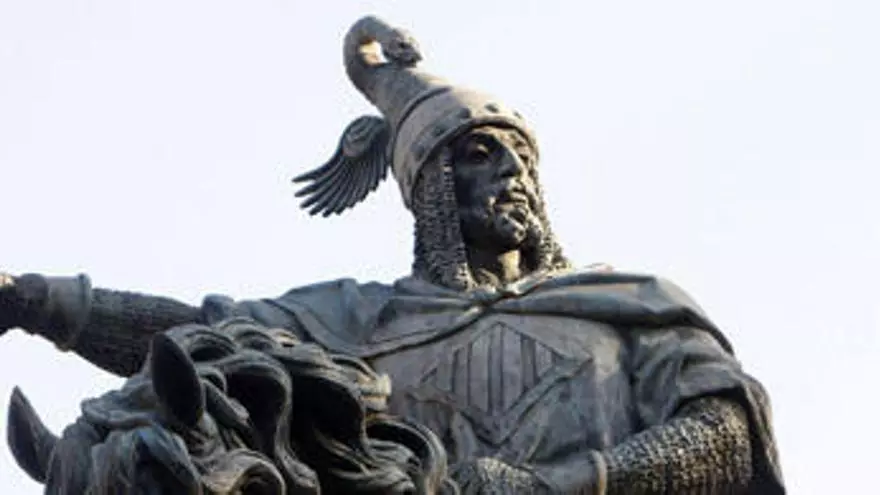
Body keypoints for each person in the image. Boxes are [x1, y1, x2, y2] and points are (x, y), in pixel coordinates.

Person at [0, 15, 783, 494]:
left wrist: (559, 484)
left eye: (521, 159)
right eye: (480, 155)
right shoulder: (356, 323)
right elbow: (202, 340)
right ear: (431, 186)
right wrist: (34, 302)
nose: (512, 173)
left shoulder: (629, 306)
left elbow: (726, 429)